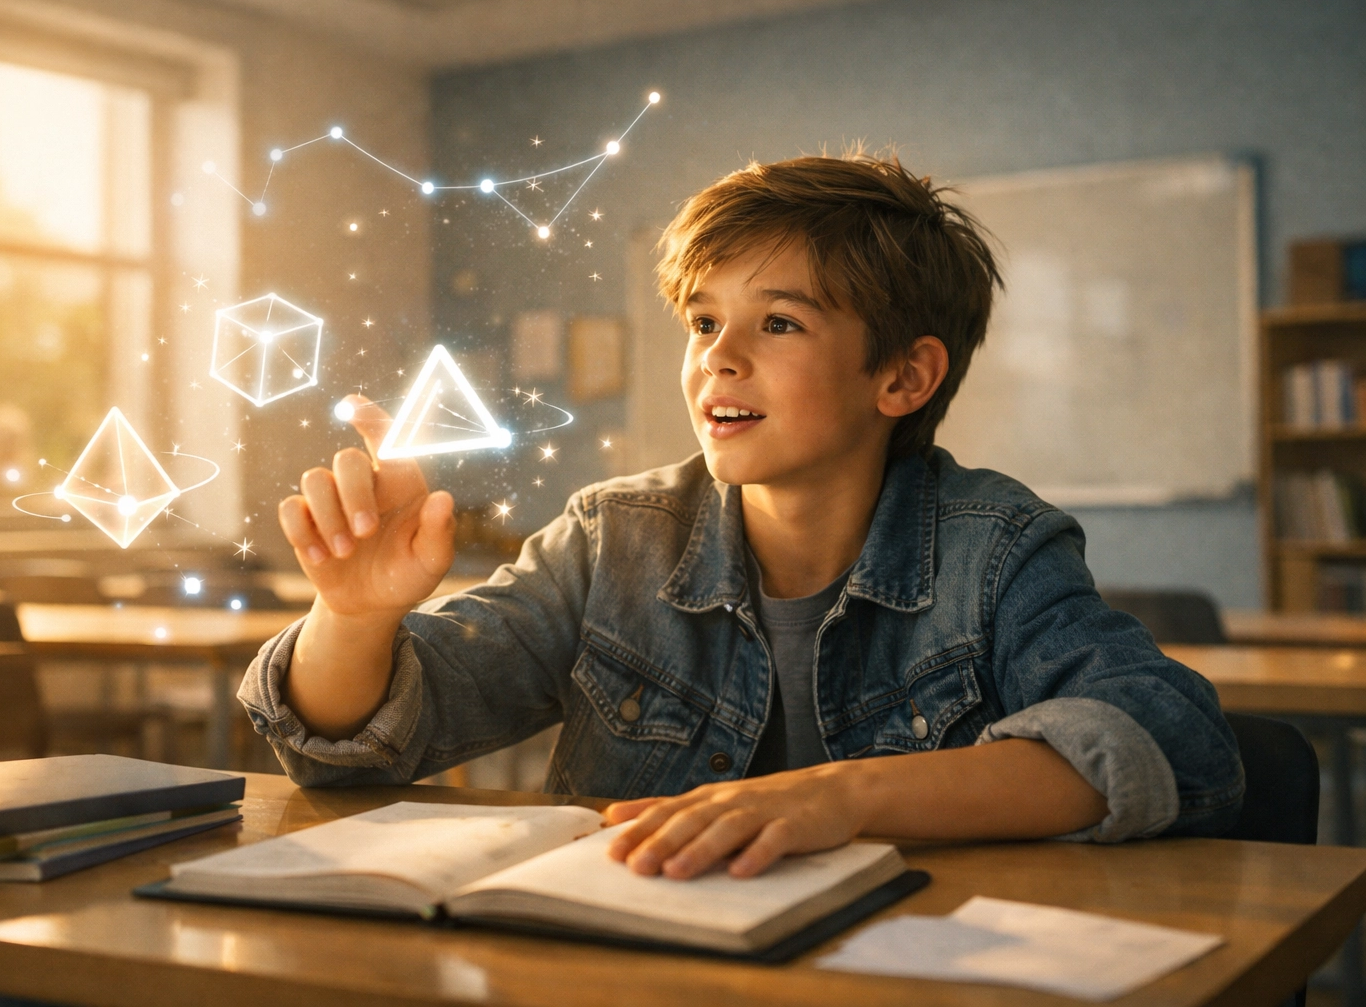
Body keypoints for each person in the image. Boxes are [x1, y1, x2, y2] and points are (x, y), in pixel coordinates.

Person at [239, 153, 1242, 882]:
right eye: (705, 321)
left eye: (780, 322)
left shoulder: (998, 546)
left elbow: (1162, 736)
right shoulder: (610, 537)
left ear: (903, 374)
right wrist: (354, 616)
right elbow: (349, 744)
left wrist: (840, 796)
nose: (718, 356)